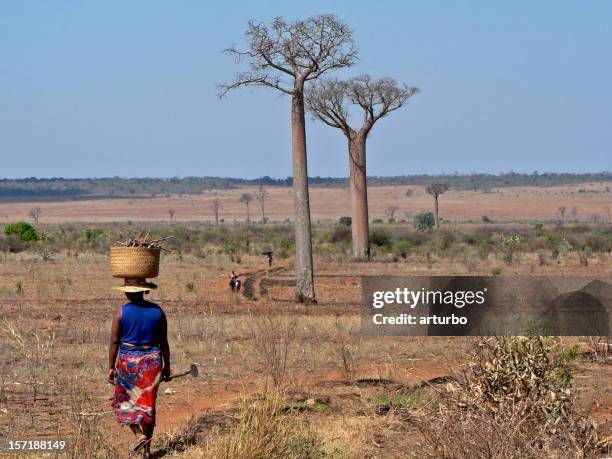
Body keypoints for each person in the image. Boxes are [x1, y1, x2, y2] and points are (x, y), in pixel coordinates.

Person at [108, 278, 170, 458]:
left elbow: (114, 341)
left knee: (124, 402)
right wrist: (167, 366)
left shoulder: (122, 312)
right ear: (144, 290)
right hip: (152, 363)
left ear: (128, 292)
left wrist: (111, 367)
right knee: (148, 405)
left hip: (129, 363)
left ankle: (138, 433)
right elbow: (164, 342)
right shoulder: (158, 312)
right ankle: (147, 451)